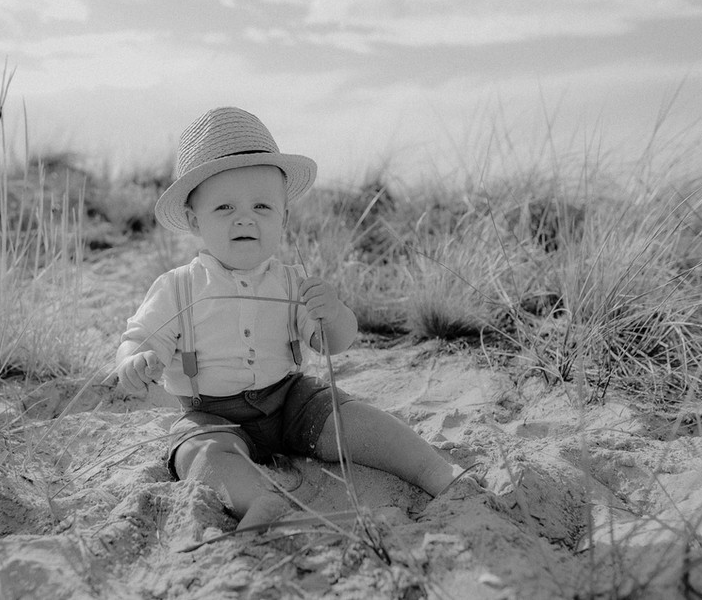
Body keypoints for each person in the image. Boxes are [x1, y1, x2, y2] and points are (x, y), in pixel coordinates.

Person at [115, 107, 466, 530]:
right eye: (224, 207)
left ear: (283, 217)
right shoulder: (178, 288)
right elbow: (140, 336)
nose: (245, 218)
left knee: (352, 417)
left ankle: (432, 470)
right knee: (197, 455)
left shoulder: (293, 282)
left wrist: (332, 313)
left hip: (290, 400)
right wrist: (135, 360)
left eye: (262, 206)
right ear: (194, 220)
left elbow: (334, 343)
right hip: (211, 415)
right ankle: (258, 499)